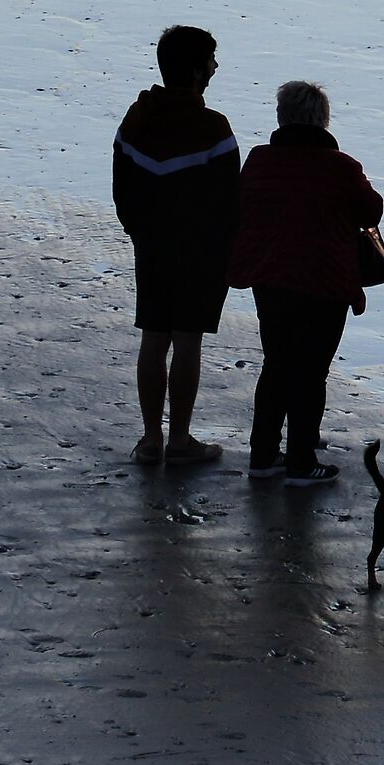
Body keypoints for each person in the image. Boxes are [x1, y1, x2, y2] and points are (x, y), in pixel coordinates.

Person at [228, 80, 384, 486]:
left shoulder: (260, 160)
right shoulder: (342, 168)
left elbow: (242, 205)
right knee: (312, 371)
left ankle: (263, 455)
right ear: (323, 120)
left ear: (282, 117)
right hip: (325, 281)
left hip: (270, 277)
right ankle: (301, 461)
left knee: (277, 364)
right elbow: (372, 210)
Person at [112, 25, 240, 466]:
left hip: (151, 245)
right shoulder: (214, 128)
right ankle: (181, 440)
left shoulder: (136, 119)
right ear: (197, 70)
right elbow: (230, 201)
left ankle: (151, 440)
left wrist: (140, 231)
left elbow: (122, 191)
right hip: (200, 251)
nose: (216, 67)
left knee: (153, 337)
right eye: (211, 60)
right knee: (187, 341)